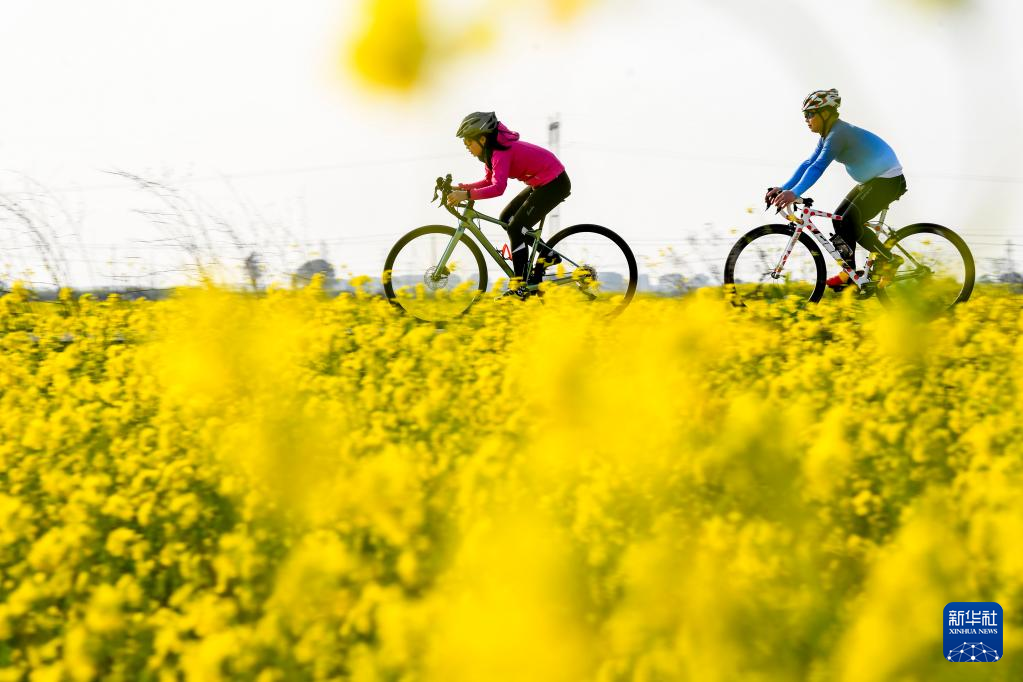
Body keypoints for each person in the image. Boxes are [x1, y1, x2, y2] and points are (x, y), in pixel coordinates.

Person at [767, 89, 906, 289]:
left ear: (826, 113)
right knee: (839, 219)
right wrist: (784, 188)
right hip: (873, 181)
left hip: (888, 180)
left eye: (810, 114)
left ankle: (889, 260)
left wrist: (795, 193)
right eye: (805, 115)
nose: (806, 119)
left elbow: (818, 167)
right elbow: (808, 163)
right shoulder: (828, 136)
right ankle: (850, 273)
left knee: (849, 220)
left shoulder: (839, 134)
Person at [448, 111, 571, 288]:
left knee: (516, 228)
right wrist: (462, 188)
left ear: (482, 139)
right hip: (542, 182)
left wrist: (467, 195)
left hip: (555, 183)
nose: (467, 147)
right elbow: (489, 181)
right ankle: (548, 254)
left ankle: (519, 284)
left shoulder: (500, 153)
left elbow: (498, 188)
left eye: (468, 142)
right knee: (506, 218)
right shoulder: (491, 154)